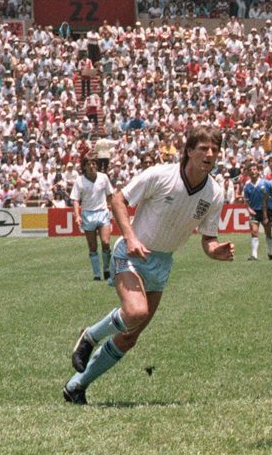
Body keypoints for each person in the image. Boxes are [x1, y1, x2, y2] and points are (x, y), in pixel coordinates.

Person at [63, 126, 234, 405]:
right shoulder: (160, 175)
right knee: (136, 311)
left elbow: (209, 238)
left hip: (162, 263)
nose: (210, 154)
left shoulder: (214, 193)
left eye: (214, 149)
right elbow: (118, 198)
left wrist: (216, 251)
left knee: (130, 337)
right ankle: (90, 335)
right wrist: (130, 237)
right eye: (203, 148)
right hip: (132, 254)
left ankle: (77, 386)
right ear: (189, 150)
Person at [70, 152, 114, 281]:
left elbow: (110, 196)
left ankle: (106, 269)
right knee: (92, 246)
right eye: (88, 164)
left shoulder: (103, 178)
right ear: (84, 166)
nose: (91, 166)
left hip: (102, 212)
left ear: (97, 165)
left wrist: (115, 211)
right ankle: (96, 274)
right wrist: (77, 215)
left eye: (93, 163)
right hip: (88, 214)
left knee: (106, 242)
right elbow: (75, 200)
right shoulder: (79, 181)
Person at [241, 163, 271, 261]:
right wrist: (248, 209)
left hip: (265, 211)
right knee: (254, 232)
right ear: (248, 172)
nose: (253, 171)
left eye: (254, 169)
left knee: (268, 232)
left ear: (258, 171)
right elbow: (246, 200)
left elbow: (270, 196)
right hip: (254, 212)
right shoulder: (247, 186)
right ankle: (254, 255)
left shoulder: (265, 183)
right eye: (251, 170)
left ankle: (270, 252)